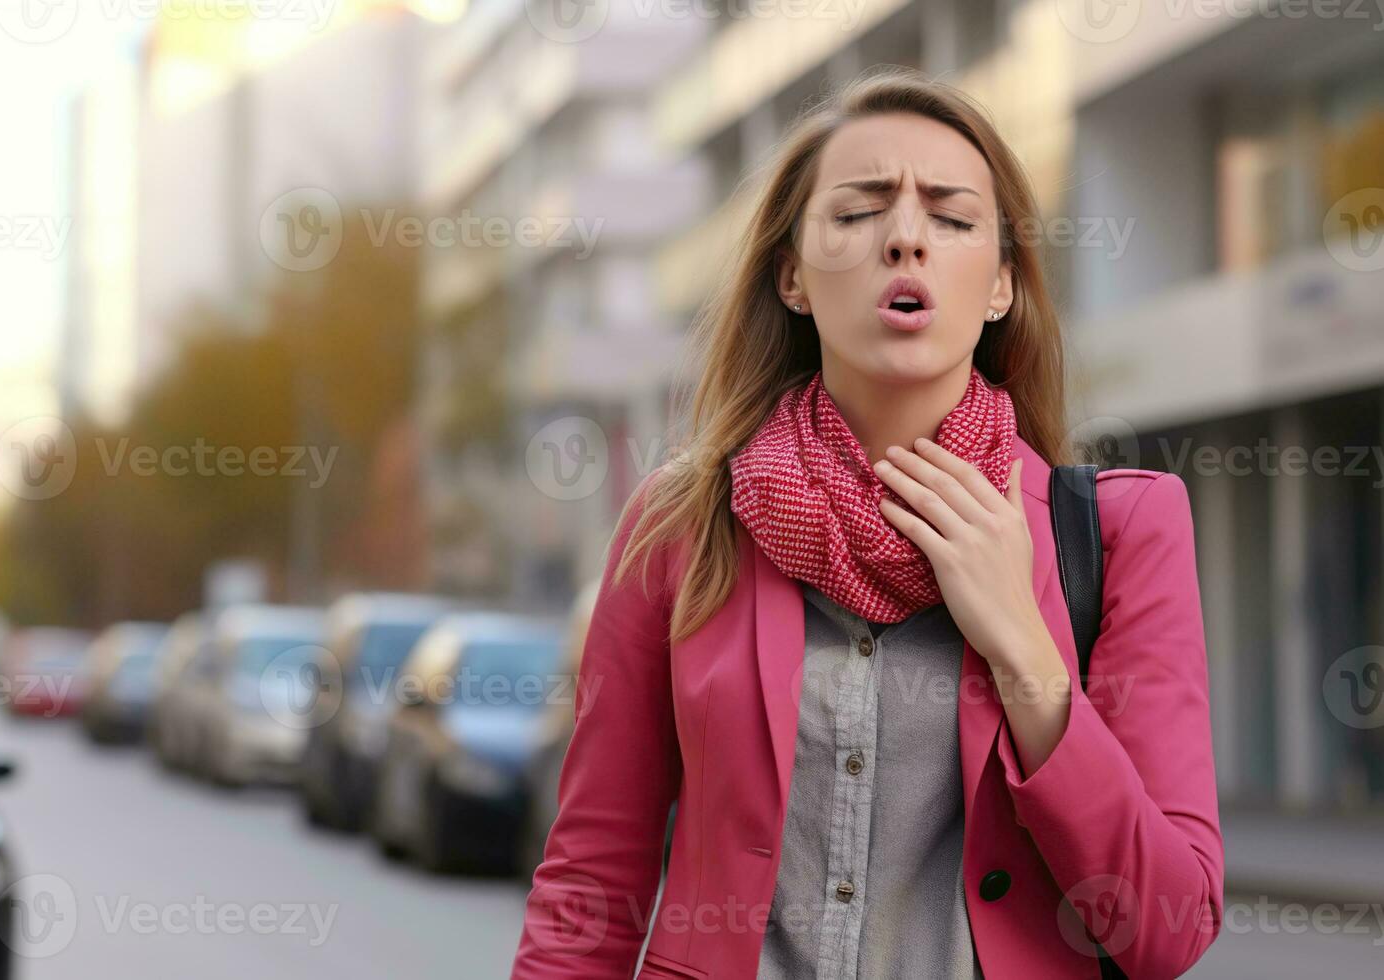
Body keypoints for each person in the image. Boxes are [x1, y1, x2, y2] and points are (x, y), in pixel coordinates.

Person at [510, 67, 1223, 980]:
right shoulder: (679, 527)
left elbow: (1165, 929)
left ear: (1002, 285)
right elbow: (591, 884)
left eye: (952, 218)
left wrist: (1025, 654)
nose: (904, 240)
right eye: (857, 214)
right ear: (793, 278)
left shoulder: (1122, 530)